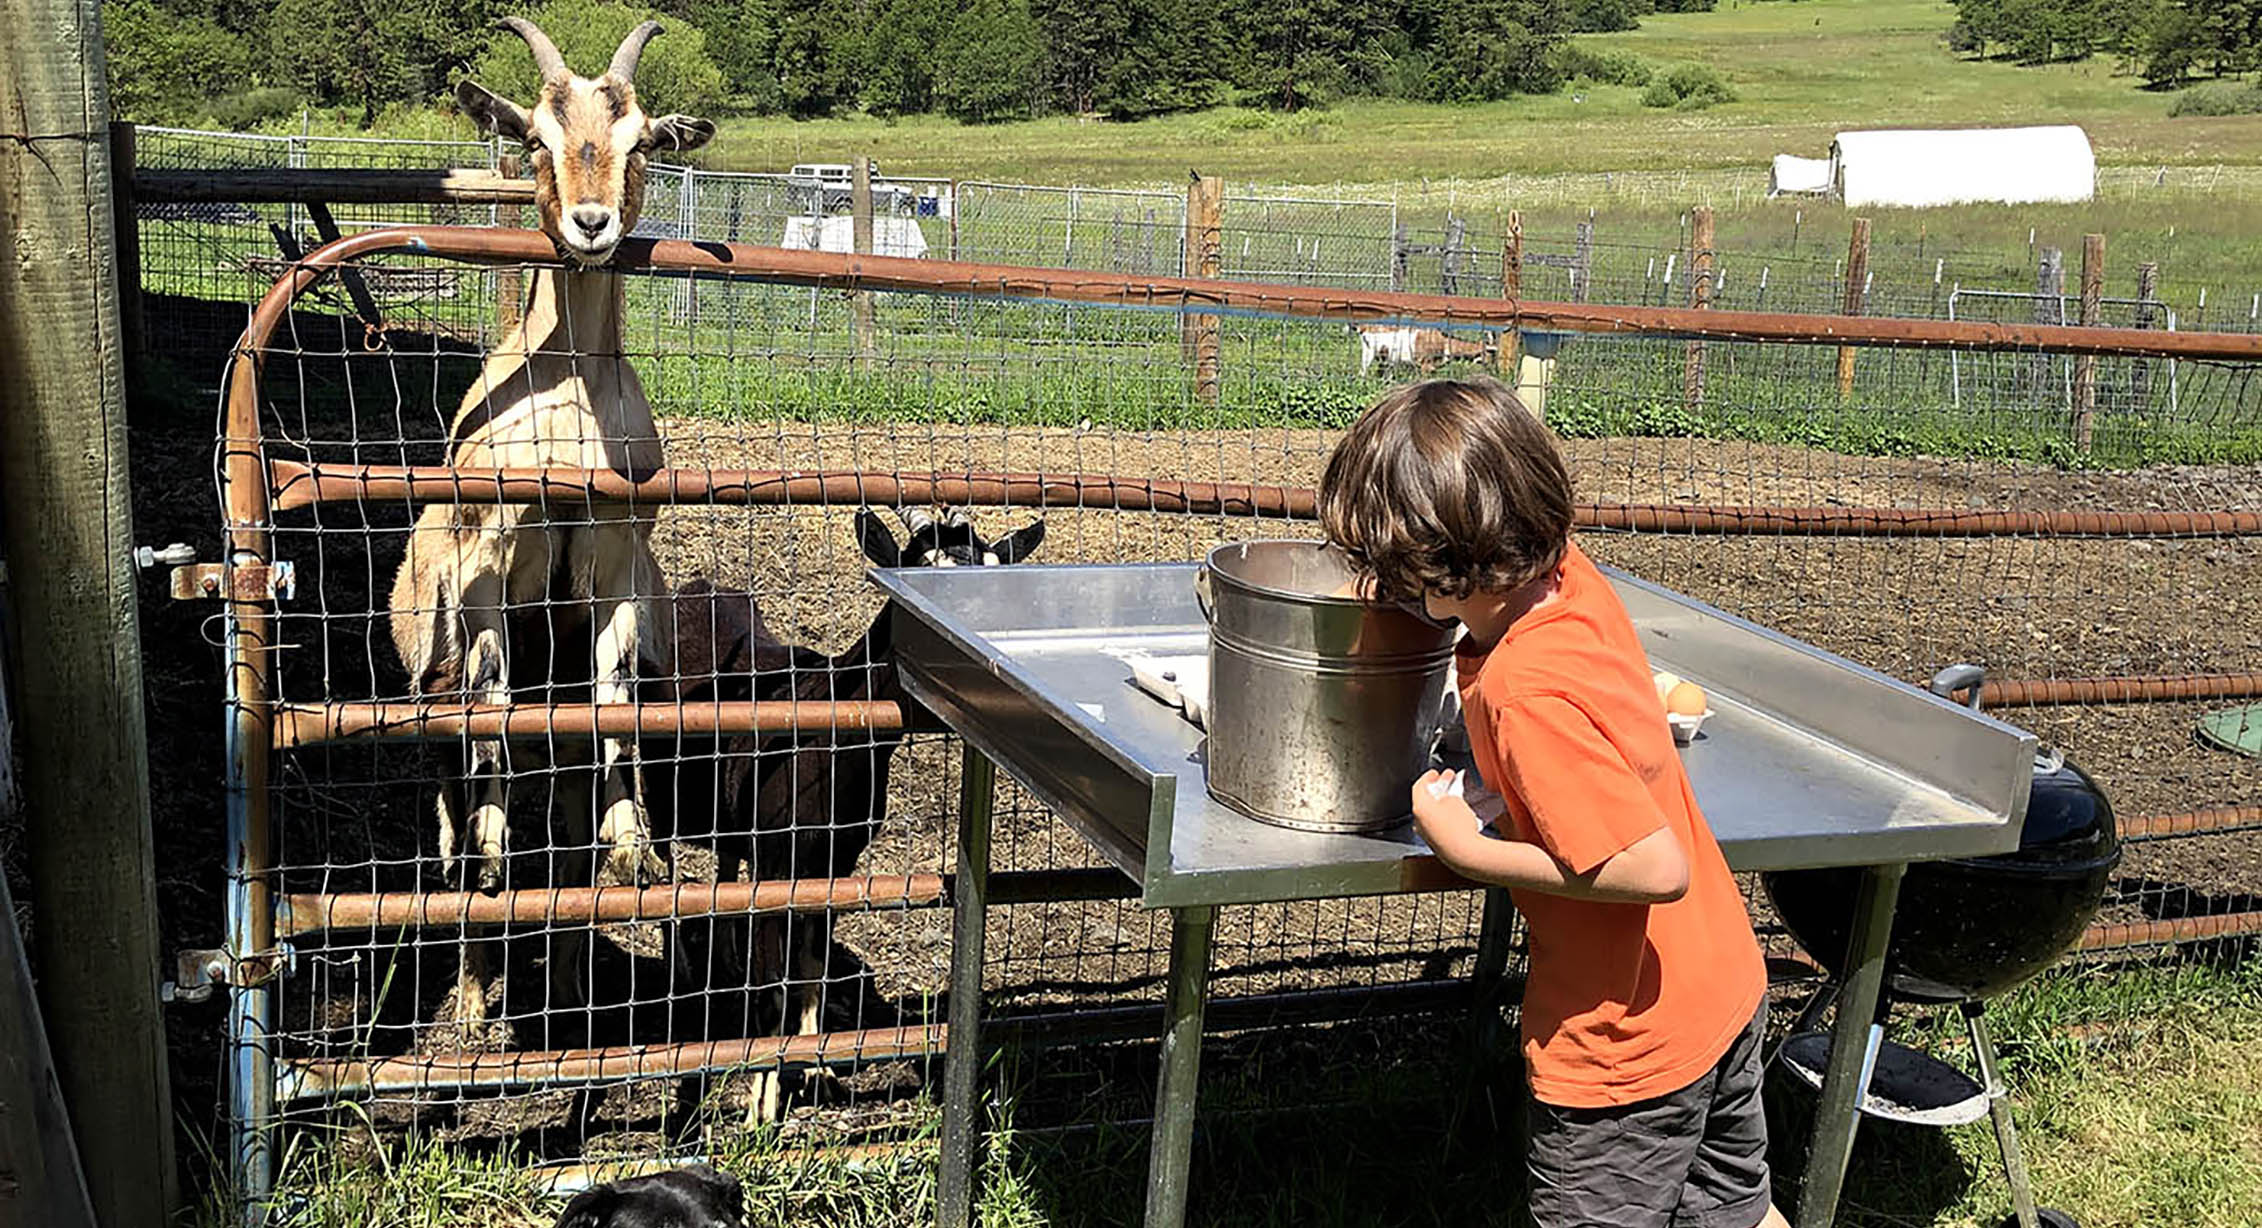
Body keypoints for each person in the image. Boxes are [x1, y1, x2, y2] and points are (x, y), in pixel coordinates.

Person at [1316, 376, 1786, 1228]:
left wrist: (1465, 848)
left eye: (1396, 565)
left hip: (1623, 1050)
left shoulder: (1522, 690)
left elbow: (1652, 866)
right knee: (1738, 1216)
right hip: (1716, 985)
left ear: (1444, 564)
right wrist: (1413, 594)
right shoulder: (1564, 576)